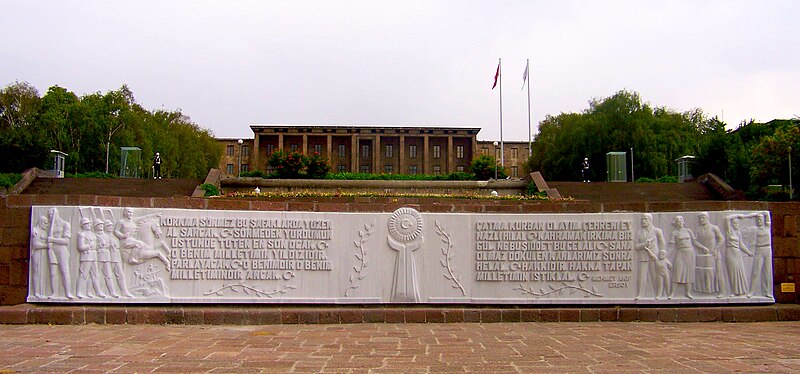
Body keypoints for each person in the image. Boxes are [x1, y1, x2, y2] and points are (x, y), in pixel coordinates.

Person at [668, 216, 708, 299]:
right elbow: (671, 247)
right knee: (677, 272)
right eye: (678, 221)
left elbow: (694, 242)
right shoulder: (674, 233)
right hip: (680, 252)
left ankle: (688, 293)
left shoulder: (688, 231)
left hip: (690, 253)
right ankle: (672, 293)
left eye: (681, 221)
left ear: (683, 222)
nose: (680, 222)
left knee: (689, 273)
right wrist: (665, 255)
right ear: (675, 223)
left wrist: (702, 247)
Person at [634, 213, 665, 299]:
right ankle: (640, 294)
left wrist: (661, 253)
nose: (643, 221)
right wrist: (644, 244)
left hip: (654, 257)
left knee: (655, 276)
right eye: (642, 219)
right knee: (642, 277)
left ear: (650, 220)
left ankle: (658, 294)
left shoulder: (657, 231)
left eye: (645, 219)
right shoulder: (639, 232)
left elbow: (662, 243)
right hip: (643, 257)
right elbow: (636, 246)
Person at [695, 212, 726, 296]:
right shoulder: (698, 229)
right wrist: (702, 247)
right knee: (705, 273)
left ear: (707, 218)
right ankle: (706, 291)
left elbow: (721, 239)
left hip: (715, 254)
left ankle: (722, 291)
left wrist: (716, 249)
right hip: (704, 255)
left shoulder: (714, 228)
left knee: (719, 273)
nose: (701, 220)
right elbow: (694, 241)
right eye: (700, 218)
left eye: (703, 218)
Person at [46, 208, 74, 299]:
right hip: (52, 250)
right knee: (53, 272)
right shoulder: (50, 226)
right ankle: (55, 293)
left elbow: (66, 241)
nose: (49, 217)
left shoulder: (65, 224)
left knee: (64, 271)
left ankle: (68, 292)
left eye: (50, 215)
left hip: (62, 250)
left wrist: (53, 240)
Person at [76, 217, 106, 298]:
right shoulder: (82, 234)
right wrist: (88, 246)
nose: (89, 225)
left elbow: (94, 246)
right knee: (83, 275)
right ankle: (79, 292)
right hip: (86, 257)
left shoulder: (92, 234)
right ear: (83, 225)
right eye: (86, 224)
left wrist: (100, 245)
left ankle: (98, 292)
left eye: (89, 223)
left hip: (94, 256)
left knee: (95, 275)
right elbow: (80, 247)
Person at [725, 214, 754, 297]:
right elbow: (727, 218)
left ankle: (741, 291)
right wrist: (738, 215)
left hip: (737, 252)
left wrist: (748, 252)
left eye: (737, 223)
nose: (736, 225)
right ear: (732, 224)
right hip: (730, 252)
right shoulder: (729, 231)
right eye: (735, 223)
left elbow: (741, 245)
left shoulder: (739, 233)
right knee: (733, 272)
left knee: (740, 272)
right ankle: (734, 291)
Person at [748, 214, 773, 298]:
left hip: (767, 249)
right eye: (758, 219)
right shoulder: (756, 230)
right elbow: (752, 241)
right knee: (756, 271)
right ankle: (752, 291)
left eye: (760, 219)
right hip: (759, 250)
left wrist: (757, 214)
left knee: (767, 271)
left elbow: (766, 214)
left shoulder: (767, 227)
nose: (759, 221)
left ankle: (766, 292)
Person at [29, 215, 49, 298]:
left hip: (43, 254)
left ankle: (42, 292)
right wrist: (46, 245)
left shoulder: (44, 232)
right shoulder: (36, 230)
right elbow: (35, 244)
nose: (46, 225)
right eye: (45, 223)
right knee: (36, 271)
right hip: (37, 253)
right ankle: (36, 292)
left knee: (43, 272)